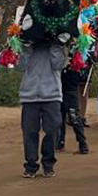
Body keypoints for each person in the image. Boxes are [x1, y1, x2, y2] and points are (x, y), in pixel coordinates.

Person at [17, 42, 66, 178]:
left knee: (53, 130)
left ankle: (48, 163)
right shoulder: (26, 47)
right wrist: (27, 47)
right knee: (29, 132)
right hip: (29, 95)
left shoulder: (57, 47)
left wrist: (55, 45)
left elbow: (59, 65)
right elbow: (20, 66)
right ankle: (31, 165)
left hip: (52, 95)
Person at [57, 64, 90, 154]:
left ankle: (82, 144)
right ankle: (59, 142)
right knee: (59, 118)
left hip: (70, 91)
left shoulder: (76, 60)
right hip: (59, 91)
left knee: (74, 118)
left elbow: (82, 74)